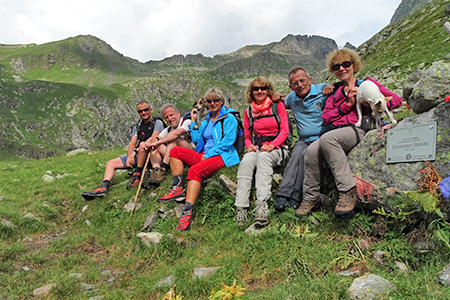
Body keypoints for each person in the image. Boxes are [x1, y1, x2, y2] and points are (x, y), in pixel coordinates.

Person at [296, 48, 402, 218]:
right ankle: (311, 197)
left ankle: (347, 191)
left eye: (346, 64)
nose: (342, 69)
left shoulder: (367, 84)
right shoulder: (334, 92)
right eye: (337, 66)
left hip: (360, 129)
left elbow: (396, 100)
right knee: (309, 152)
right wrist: (347, 104)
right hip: (338, 131)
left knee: (328, 139)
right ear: (333, 71)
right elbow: (327, 117)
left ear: (354, 66)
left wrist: (372, 104)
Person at [157, 88, 240, 231]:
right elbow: (196, 139)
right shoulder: (207, 119)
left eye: (215, 100)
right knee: (175, 151)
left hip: (223, 155)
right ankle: (177, 188)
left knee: (194, 171)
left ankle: (186, 214)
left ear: (222, 101)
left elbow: (228, 141)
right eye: (209, 101)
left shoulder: (229, 118)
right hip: (204, 154)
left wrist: (207, 155)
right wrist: (195, 122)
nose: (212, 103)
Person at [273, 67, 335, 212]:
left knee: (304, 156)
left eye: (302, 80)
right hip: (303, 139)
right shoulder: (291, 98)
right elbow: (282, 101)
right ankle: (283, 195)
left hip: (322, 137)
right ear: (290, 87)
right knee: (295, 154)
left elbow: (344, 87)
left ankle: (296, 196)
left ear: (310, 80)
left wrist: (333, 87)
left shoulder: (323, 90)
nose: (300, 85)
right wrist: (275, 97)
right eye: (295, 83)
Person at [234, 77, 289, 227]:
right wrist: (248, 145)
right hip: (258, 147)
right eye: (256, 89)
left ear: (268, 90)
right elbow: (247, 134)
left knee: (264, 157)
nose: (260, 91)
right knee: (246, 161)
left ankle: (262, 206)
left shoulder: (277, 107)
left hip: (277, 148)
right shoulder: (248, 112)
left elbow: (285, 131)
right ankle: (241, 207)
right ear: (251, 92)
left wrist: (272, 145)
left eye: (263, 88)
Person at [81, 101, 164, 200]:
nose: (144, 113)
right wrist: (129, 157)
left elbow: (152, 139)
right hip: (139, 153)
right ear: (138, 113)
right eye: (141, 111)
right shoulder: (137, 126)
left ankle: (137, 174)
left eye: (146, 110)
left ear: (150, 110)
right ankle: (104, 186)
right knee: (110, 163)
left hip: (151, 153)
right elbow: (132, 143)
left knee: (142, 145)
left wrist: (134, 151)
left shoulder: (157, 122)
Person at [128, 103, 195, 189]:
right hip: (176, 157)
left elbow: (177, 133)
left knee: (173, 140)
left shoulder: (186, 122)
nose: (170, 119)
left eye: (171, 115)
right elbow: (156, 138)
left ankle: (163, 168)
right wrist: (149, 144)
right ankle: (156, 172)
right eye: (166, 117)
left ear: (178, 113)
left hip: (190, 155)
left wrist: (157, 142)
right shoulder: (168, 129)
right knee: (154, 146)